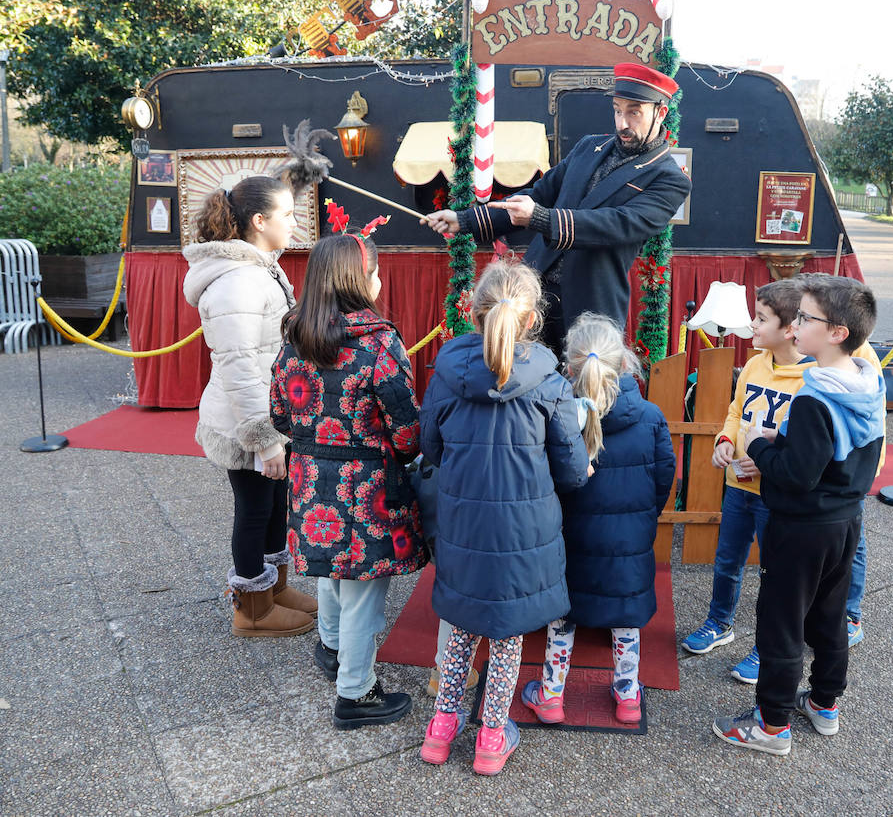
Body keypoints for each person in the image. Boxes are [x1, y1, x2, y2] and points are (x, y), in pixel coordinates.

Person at [417, 259, 590, 775]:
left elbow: (430, 449)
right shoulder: (549, 380)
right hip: (523, 531)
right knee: (508, 636)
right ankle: (492, 737)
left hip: (464, 524)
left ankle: (440, 730)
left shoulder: (447, 371)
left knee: (463, 627)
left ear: (473, 310)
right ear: (533, 316)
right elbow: (573, 471)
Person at [713, 276, 886, 756]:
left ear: (835, 333)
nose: (799, 326)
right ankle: (825, 704)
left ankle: (771, 725)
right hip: (844, 521)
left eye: (807, 319)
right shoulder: (867, 380)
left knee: (781, 621)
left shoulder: (814, 399)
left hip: (802, 526)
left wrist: (759, 446)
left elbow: (797, 475)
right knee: (829, 617)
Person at [271, 227, 428, 730]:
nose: (380, 280)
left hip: (310, 474)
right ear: (361, 279)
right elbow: (407, 429)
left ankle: (334, 650)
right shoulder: (378, 343)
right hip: (366, 485)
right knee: (364, 590)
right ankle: (355, 693)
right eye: (376, 271)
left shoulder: (295, 335)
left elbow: (278, 413)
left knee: (333, 572)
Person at [421, 62, 691, 353]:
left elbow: (617, 224)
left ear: (660, 112)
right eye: (617, 109)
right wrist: (465, 220)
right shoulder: (589, 147)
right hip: (532, 296)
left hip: (591, 308)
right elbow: (539, 194)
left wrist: (539, 218)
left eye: (633, 112)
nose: (621, 123)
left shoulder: (670, 178)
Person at [519, 313, 674, 726]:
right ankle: (627, 697)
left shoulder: (560, 413)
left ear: (567, 367)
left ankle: (551, 695)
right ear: (625, 363)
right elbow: (663, 480)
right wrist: (641, 521)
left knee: (563, 617)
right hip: (629, 540)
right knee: (626, 617)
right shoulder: (652, 418)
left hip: (570, 539)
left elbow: (549, 478)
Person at [182, 175, 317, 639]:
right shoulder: (238, 280)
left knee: (276, 504)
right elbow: (239, 364)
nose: (294, 223)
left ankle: (274, 591)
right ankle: (252, 608)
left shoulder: (260, 269)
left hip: (267, 417)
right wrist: (264, 437)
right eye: (287, 215)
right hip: (246, 421)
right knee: (255, 508)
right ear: (260, 222)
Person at [680, 279, 808, 684]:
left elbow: (804, 443)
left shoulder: (812, 379)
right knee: (727, 560)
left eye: (761, 318)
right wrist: (723, 442)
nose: (752, 324)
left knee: (775, 573)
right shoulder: (754, 365)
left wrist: (768, 461)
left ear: (789, 329)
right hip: (738, 486)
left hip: (776, 494)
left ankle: (767, 646)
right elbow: (736, 412)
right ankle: (720, 622)